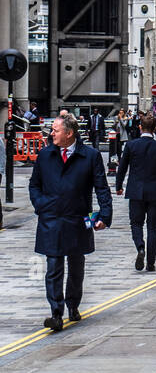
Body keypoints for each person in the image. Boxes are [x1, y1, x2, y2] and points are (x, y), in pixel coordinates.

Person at [29, 113, 112, 332]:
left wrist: (104, 216)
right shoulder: (45, 155)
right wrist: (41, 204)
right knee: (53, 267)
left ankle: (73, 305)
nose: (51, 134)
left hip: (78, 218)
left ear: (69, 133)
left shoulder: (90, 156)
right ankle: (56, 313)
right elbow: (34, 185)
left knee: (76, 266)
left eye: (55, 130)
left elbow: (101, 188)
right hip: (51, 218)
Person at [115, 114, 156, 273]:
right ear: (155, 129)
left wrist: (118, 186)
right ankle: (150, 263)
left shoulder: (131, 145)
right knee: (153, 228)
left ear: (140, 127)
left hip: (135, 192)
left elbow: (122, 167)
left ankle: (140, 248)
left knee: (136, 224)